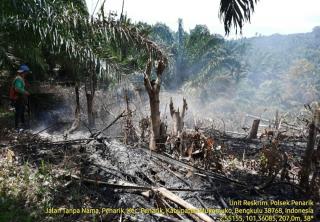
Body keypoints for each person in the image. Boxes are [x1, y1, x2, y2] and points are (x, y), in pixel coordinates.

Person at [10, 64, 31, 130]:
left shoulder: (21, 78)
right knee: (18, 112)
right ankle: (17, 127)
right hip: (18, 98)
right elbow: (17, 88)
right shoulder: (18, 79)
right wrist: (25, 92)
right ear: (23, 72)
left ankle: (22, 125)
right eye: (26, 72)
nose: (27, 74)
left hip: (20, 98)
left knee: (21, 112)